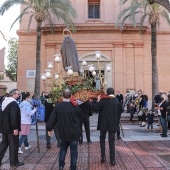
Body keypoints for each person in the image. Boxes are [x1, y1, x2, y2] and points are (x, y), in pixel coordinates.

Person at [46, 89, 82, 170]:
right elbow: (81, 115)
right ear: (71, 95)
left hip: (63, 132)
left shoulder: (58, 106)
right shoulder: (75, 105)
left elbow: (52, 119)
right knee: (73, 151)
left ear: (62, 95)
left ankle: (61, 166)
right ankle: (73, 167)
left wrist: (49, 129)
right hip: (74, 132)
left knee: (63, 149)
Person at [92, 87, 122, 166]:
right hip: (113, 124)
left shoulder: (103, 100)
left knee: (102, 139)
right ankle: (112, 160)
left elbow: (95, 108)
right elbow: (120, 110)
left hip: (103, 124)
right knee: (112, 141)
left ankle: (103, 157)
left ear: (107, 93)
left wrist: (97, 101)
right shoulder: (117, 101)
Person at [0, 89, 24, 166]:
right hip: (11, 128)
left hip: (4, 128)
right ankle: (14, 162)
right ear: (13, 94)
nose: (18, 96)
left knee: (3, 144)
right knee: (13, 145)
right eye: (18, 94)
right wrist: (15, 128)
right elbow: (13, 117)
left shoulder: (4, 101)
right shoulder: (13, 103)